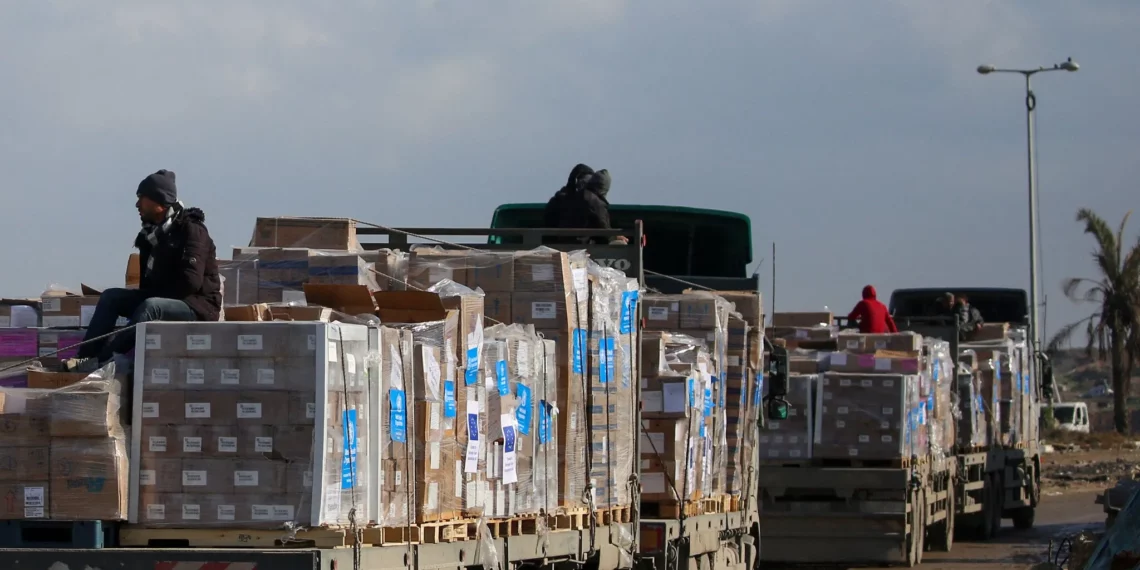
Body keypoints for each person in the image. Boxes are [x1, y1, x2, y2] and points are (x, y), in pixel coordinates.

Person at [66, 170, 222, 373]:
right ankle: (84, 357)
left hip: (197, 306)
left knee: (151, 306)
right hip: (163, 300)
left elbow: (190, 282)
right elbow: (146, 285)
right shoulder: (149, 237)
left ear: (160, 201)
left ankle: (100, 363)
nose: (137, 205)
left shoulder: (192, 230)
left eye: (142, 198)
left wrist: (154, 301)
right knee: (111, 297)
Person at [545, 164, 626, 245]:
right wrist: (614, 237)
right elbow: (602, 224)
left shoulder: (564, 198)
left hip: (559, 242)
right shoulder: (594, 201)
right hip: (579, 244)